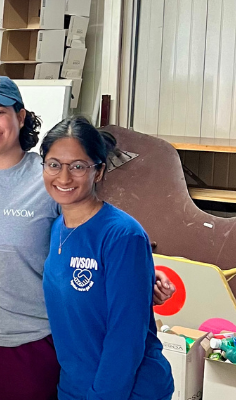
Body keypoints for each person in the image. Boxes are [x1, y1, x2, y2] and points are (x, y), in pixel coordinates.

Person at [0, 75, 176, 400]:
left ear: (20, 117)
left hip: (29, 342)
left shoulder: (48, 177)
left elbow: (99, 232)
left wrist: (142, 274)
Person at [40, 116, 173, 399]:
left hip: (126, 389)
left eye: (78, 166)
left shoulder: (121, 235)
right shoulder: (57, 227)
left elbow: (126, 338)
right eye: (54, 165)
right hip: (76, 384)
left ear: (98, 171)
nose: (63, 178)